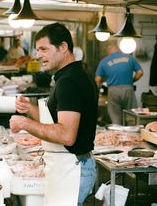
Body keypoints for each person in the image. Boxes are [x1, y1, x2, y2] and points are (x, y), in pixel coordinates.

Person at [10, 22, 98, 206]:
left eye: (44, 49)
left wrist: (25, 124)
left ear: (63, 47)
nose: (39, 55)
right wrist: (30, 109)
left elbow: (66, 134)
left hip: (72, 169)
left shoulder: (69, 82)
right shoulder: (75, 74)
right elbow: (55, 120)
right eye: (37, 50)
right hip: (71, 166)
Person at [95, 43, 143, 125]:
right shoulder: (130, 58)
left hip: (113, 91)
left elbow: (97, 79)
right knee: (131, 116)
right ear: (119, 50)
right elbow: (140, 72)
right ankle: (131, 134)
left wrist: (97, 92)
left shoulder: (104, 61)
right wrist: (132, 81)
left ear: (109, 51)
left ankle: (117, 133)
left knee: (115, 117)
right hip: (128, 89)